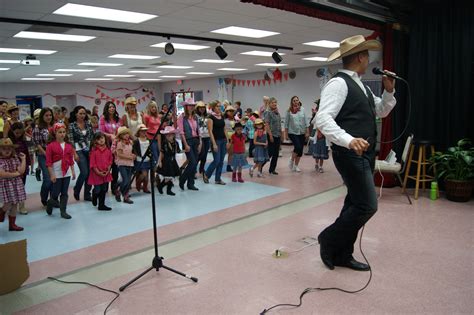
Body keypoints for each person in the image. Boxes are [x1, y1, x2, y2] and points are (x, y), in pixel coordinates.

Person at [315, 35, 397, 271]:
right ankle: (328, 238)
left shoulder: (360, 85)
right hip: (350, 154)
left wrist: (389, 92)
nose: (369, 59)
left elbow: (380, 111)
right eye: (367, 55)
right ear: (361, 57)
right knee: (367, 205)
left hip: (364, 154)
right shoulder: (338, 84)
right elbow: (323, 118)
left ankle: (342, 254)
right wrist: (349, 140)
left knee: (354, 203)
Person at [45, 123, 75, 219]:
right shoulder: (50, 146)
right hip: (56, 172)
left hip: (66, 172)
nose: (62, 134)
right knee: (55, 192)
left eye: (63, 132)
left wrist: (73, 171)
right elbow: (48, 162)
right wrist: (52, 174)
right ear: (55, 133)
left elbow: (71, 160)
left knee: (64, 193)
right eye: (59, 132)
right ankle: (50, 202)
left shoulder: (69, 146)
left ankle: (63, 211)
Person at [0, 138, 26, 231]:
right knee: (8, 203)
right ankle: (1, 211)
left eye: (9, 149)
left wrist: (23, 159)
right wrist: (16, 174)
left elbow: (21, 170)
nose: (7, 151)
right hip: (6, 185)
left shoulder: (15, 158)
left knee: (15, 204)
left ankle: (12, 225)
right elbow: (2, 174)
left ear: (12, 149)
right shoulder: (0, 160)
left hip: (16, 184)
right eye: (4, 149)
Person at [68, 106, 93, 202]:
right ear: (76, 114)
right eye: (80, 113)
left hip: (89, 149)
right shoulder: (72, 125)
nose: (82, 115)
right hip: (78, 150)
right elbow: (71, 141)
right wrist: (74, 154)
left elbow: (92, 137)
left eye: (84, 113)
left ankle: (87, 194)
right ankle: (77, 189)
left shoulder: (88, 124)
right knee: (84, 172)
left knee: (90, 172)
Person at [177, 100, 201, 191]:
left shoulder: (195, 117)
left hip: (196, 140)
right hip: (187, 141)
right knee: (192, 162)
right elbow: (181, 132)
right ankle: (182, 179)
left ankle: (191, 184)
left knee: (194, 163)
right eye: (189, 105)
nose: (191, 107)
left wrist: (200, 143)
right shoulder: (182, 118)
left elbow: (198, 130)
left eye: (192, 105)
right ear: (186, 107)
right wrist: (185, 144)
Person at [33, 108, 54, 206]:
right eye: (46, 115)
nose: (49, 117)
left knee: (55, 178)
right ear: (42, 116)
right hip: (43, 155)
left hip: (56, 156)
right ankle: (44, 197)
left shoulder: (55, 126)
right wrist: (46, 153)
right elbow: (37, 144)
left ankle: (53, 199)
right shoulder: (38, 128)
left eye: (50, 115)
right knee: (47, 178)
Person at [8, 122, 31, 214]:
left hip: (22, 167)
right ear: (12, 131)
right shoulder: (8, 141)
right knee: (11, 188)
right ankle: (11, 206)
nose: (18, 135)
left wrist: (27, 165)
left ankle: (22, 207)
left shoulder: (23, 142)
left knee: (21, 187)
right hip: (11, 169)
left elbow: (27, 154)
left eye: (20, 133)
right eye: (16, 133)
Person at [203, 100, 227, 185]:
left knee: (221, 161)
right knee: (216, 160)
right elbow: (210, 131)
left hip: (223, 140)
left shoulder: (222, 116)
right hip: (216, 140)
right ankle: (206, 174)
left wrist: (227, 140)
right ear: (213, 107)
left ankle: (218, 179)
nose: (219, 108)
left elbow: (224, 129)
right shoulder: (210, 118)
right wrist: (214, 144)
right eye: (217, 106)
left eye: (220, 106)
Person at [99, 101, 121, 195]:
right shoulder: (103, 119)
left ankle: (114, 188)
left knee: (116, 168)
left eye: (113, 107)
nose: (112, 108)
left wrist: (117, 136)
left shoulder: (118, 119)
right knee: (106, 167)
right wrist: (110, 135)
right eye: (110, 107)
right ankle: (104, 188)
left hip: (117, 146)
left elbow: (121, 130)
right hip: (106, 146)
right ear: (106, 109)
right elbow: (100, 132)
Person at [88, 132, 113, 211]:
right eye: (98, 139)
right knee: (98, 189)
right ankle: (94, 195)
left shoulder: (108, 150)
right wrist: (98, 172)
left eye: (102, 138)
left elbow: (110, 161)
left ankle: (101, 205)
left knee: (104, 189)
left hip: (106, 173)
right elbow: (93, 164)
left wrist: (108, 170)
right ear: (95, 141)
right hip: (96, 174)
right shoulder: (94, 151)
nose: (101, 140)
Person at [285, 96, 309, 173]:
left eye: (297, 100)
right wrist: (286, 134)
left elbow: (306, 121)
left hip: (301, 132)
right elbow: (286, 123)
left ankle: (296, 166)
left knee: (300, 150)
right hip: (292, 132)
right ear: (292, 102)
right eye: (294, 100)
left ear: (299, 101)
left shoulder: (303, 109)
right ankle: (291, 160)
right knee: (298, 147)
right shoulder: (289, 111)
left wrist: (307, 131)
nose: (296, 102)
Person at [156, 126, 181, 196]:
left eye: (170, 135)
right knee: (168, 176)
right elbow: (161, 152)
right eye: (167, 135)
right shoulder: (164, 143)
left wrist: (185, 150)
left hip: (172, 161)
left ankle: (168, 190)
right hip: (166, 161)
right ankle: (160, 186)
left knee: (172, 176)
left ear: (173, 135)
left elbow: (178, 151)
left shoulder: (176, 143)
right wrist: (159, 161)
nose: (168, 136)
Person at [114, 126, 135, 204]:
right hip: (122, 163)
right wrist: (130, 157)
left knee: (128, 181)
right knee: (125, 180)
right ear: (120, 136)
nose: (126, 135)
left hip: (130, 164)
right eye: (124, 134)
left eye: (127, 133)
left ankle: (125, 196)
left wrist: (133, 155)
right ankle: (119, 191)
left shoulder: (130, 143)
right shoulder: (119, 143)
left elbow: (131, 152)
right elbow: (119, 154)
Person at [263, 97, 281, 175]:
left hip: (278, 135)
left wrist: (281, 134)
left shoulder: (277, 113)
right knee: (270, 153)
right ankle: (260, 165)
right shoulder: (268, 112)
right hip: (271, 134)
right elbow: (267, 125)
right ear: (269, 104)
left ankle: (272, 169)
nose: (274, 104)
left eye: (275, 102)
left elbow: (279, 124)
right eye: (272, 102)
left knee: (276, 153)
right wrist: (270, 135)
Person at [132, 124, 151, 193]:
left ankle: (145, 187)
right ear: (138, 132)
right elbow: (134, 150)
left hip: (147, 159)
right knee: (143, 174)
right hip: (140, 159)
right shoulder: (137, 141)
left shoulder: (148, 140)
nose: (144, 133)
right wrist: (137, 156)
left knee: (146, 175)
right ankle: (138, 182)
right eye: (142, 131)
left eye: (145, 131)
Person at [142, 101, 161, 166]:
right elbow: (144, 128)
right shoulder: (146, 116)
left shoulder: (158, 116)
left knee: (160, 155)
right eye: (152, 107)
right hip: (151, 138)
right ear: (149, 108)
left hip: (159, 138)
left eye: (155, 107)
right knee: (156, 156)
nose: (154, 108)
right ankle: (157, 172)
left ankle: (156, 173)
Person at [195, 101, 210, 175]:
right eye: (200, 108)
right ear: (197, 108)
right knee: (199, 154)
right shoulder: (195, 116)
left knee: (205, 155)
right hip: (199, 138)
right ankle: (194, 170)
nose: (202, 109)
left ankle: (201, 169)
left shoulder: (207, 116)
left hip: (207, 137)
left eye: (203, 107)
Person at [224, 105, 236, 172]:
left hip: (234, 138)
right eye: (229, 111)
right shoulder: (224, 120)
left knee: (231, 153)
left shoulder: (235, 120)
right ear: (226, 112)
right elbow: (224, 130)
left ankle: (229, 165)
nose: (231, 112)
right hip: (227, 138)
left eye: (232, 111)